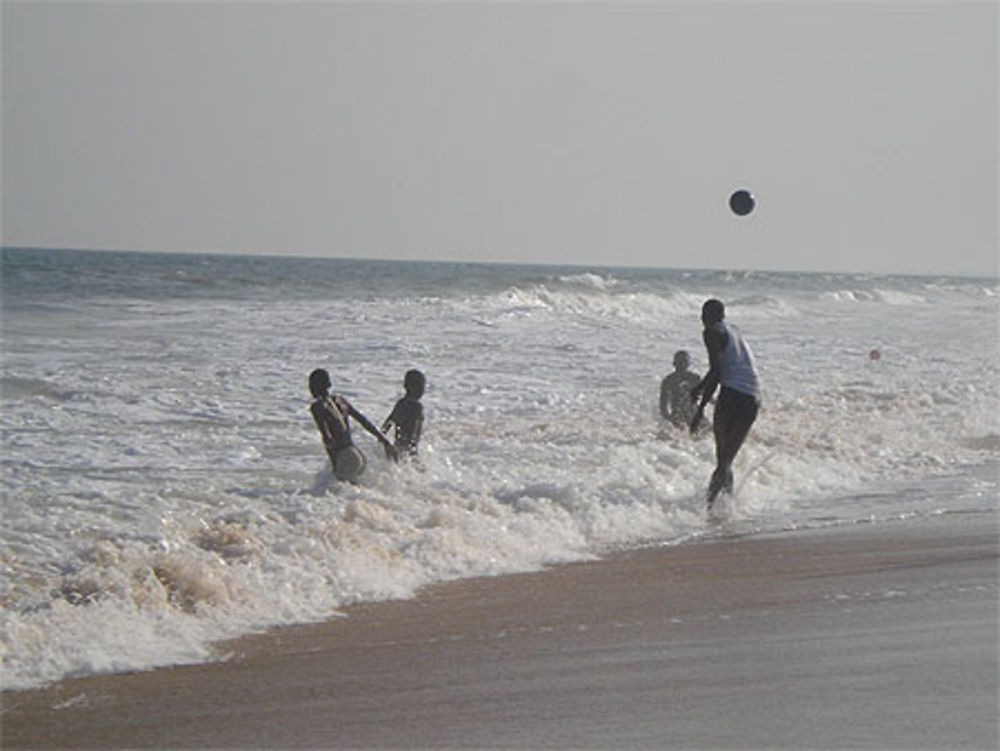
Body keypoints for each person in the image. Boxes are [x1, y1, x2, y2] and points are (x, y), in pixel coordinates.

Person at [689, 299, 761, 509]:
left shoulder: (711, 332)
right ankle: (728, 506)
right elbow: (720, 370)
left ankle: (708, 509)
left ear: (706, 315)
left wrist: (700, 408)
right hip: (753, 396)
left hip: (732, 395)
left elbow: (717, 371)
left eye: (703, 315)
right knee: (726, 458)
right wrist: (701, 387)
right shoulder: (734, 330)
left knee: (723, 459)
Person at [308, 368, 396, 482]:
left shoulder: (318, 407)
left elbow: (327, 438)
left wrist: (335, 464)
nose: (309, 388)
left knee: (337, 496)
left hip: (344, 457)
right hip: (357, 454)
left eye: (311, 384)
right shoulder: (341, 400)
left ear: (316, 386)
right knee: (352, 495)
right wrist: (385, 442)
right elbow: (364, 421)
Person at [382, 369, 425, 458]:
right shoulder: (417, 407)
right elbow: (414, 430)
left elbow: (389, 422)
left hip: (398, 445)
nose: (423, 390)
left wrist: (382, 438)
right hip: (410, 448)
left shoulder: (401, 403)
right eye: (421, 386)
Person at [660, 350, 701, 429]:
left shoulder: (695, 378)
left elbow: (708, 397)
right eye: (680, 363)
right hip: (678, 416)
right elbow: (663, 410)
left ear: (688, 364)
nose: (682, 365)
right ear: (674, 364)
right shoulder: (668, 381)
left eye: (684, 362)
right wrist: (672, 420)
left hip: (695, 415)